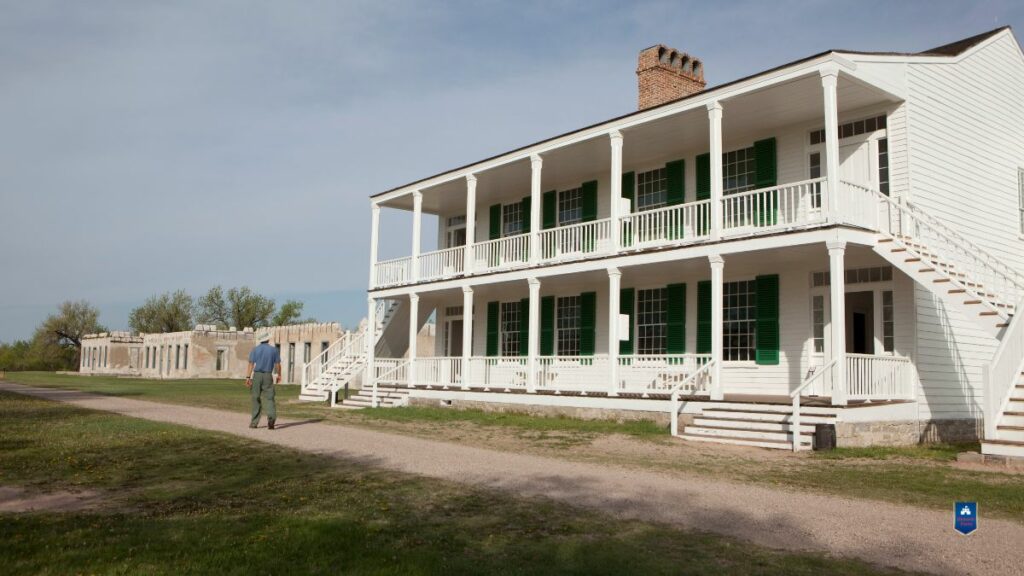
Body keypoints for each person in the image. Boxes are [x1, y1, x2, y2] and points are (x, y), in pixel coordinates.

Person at [246, 332, 281, 429]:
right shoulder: (274, 350)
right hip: (268, 375)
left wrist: (248, 377)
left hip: (257, 375)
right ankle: (271, 419)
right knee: (270, 398)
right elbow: (277, 364)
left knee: (255, 398)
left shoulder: (255, 349)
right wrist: (279, 375)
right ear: (268, 339)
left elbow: (251, 364)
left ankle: (254, 423)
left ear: (260, 340)